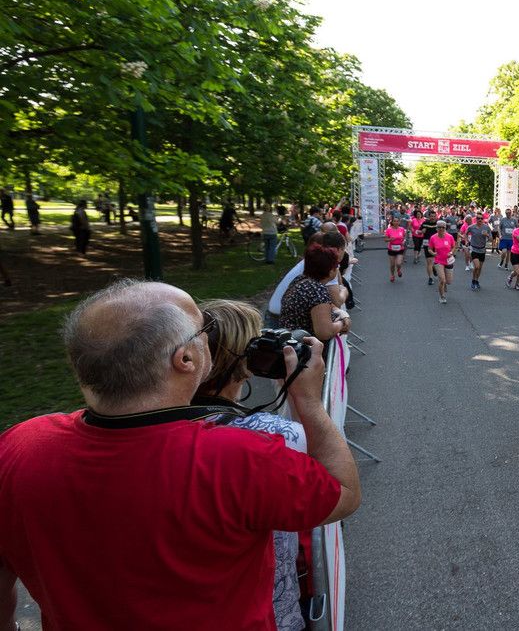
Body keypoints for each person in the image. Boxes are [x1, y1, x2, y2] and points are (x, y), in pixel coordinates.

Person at [0, 279, 361, 629]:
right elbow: (343, 493)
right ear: (185, 358)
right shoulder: (240, 458)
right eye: (204, 328)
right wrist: (309, 402)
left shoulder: (20, 448)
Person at [191, 299, 310, 631]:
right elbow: (333, 486)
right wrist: (305, 395)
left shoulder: (157, 424)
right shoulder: (270, 435)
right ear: (245, 360)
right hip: (265, 605)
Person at [281, 243, 350, 341]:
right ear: (331, 270)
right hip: (306, 345)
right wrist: (343, 323)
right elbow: (325, 332)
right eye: (336, 266)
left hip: (290, 341)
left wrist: (338, 312)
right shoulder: (317, 290)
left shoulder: (301, 280)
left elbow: (322, 305)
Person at [428, 221, 457, 303]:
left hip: (448, 261)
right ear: (436, 228)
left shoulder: (450, 237)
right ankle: (442, 297)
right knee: (442, 280)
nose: (441, 229)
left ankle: (444, 283)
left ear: (445, 228)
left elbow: (454, 246)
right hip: (438, 261)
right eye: (439, 227)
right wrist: (433, 253)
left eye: (443, 227)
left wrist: (451, 252)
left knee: (449, 281)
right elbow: (429, 249)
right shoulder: (433, 237)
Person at [467, 214, 491, 290]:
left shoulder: (486, 227)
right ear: (476, 219)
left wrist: (487, 235)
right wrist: (466, 241)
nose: (480, 220)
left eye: (481, 218)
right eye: (478, 218)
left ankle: (476, 281)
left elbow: (491, 238)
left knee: (480, 268)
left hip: (482, 250)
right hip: (474, 249)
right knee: (476, 266)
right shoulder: (472, 227)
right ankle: (473, 280)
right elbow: (465, 233)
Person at [384, 215, 406, 283]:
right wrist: (390, 239)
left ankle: (398, 270)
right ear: (392, 222)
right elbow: (385, 240)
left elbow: (404, 237)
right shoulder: (388, 230)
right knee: (392, 265)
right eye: (394, 221)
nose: (396, 222)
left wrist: (403, 241)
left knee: (399, 263)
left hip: (400, 248)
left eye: (397, 221)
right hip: (391, 249)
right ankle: (392, 275)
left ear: (399, 222)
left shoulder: (402, 229)